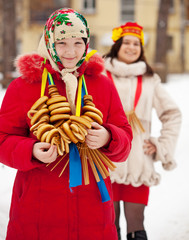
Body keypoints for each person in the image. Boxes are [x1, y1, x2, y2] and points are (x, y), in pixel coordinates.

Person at [0, 8, 133, 240]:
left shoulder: (101, 84)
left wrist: (108, 137)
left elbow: (126, 136)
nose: (70, 51)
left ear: (87, 42)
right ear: (49, 41)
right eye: (61, 42)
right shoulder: (23, 86)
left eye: (78, 42)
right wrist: (30, 150)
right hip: (38, 210)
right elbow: (2, 140)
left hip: (93, 210)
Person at [103, 22, 181, 240]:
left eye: (136, 43)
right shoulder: (99, 75)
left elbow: (172, 114)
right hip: (105, 160)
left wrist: (161, 146)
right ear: (117, 45)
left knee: (136, 225)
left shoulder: (150, 80)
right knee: (108, 225)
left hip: (138, 162)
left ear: (142, 48)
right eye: (126, 42)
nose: (131, 47)